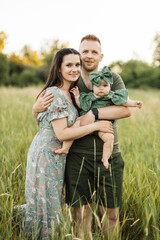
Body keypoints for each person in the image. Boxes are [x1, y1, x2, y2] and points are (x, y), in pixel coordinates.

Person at [32, 35, 132, 240]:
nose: (88, 56)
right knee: (81, 214)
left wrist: (94, 114)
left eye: (94, 51)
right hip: (77, 158)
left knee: (111, 214)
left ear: (101, 56)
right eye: (84, 51)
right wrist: (34, 109)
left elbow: (125, 111)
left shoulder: (111, 79)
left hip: (109, 157)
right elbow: (50, 110)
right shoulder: (71, 79)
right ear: (79, 53)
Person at [55, 66, 142, 169]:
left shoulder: (112, 96)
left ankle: (105, 158)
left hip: (103, 126)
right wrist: (77, 96)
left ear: (110, 87)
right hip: (86, 122)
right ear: (93, 87)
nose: (101, 88)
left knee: (110, 138)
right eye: (98, 86)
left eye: (105, 86)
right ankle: (65, 148)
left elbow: (124, 101)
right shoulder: (89, 96)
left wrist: (134, 103)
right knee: (74, 127)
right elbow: (81, 105)